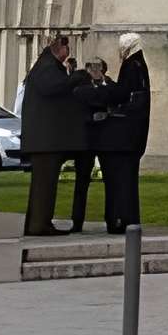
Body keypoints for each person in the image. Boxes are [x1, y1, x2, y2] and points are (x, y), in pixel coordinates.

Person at [18, 34, 93, 238]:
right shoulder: (47, 68)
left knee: (43, 184)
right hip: (45, 140)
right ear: (59, 49)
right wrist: (75, 78)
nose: (67, 55)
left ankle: (36, 222)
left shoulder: (45, 67)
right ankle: (39, 224)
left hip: (46, 139)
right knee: (45, 185)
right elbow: (53, 88)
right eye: (66, 51)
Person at [99, 33, 150, 234]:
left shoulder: (130, 66)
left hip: (125, 133)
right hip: (135, 133)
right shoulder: (140, 65)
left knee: (122, 179)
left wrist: (106, 86)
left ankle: (121, 218)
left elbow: (122, 93)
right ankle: (129, 217)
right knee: (128, 179)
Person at [69, 59, 112, 234]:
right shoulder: (80, 87)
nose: (94, 70)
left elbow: (116, 98)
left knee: (111, 181)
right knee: (81, 182)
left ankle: (112, 219)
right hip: (86, 140)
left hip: (105, 139)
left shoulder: (110, 85)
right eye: (91, 67)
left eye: (97, 67)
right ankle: (77, 221)